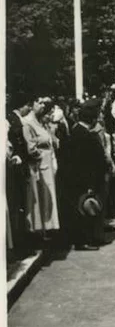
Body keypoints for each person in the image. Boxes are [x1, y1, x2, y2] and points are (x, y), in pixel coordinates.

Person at [63, 98, 110, 251]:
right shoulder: (85, 135)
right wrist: (90, 184)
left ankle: (84, 239)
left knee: (82, 209)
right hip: (84, 181)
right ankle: (82, 241)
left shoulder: (78, 131)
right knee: (82, 210)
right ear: (92, 118)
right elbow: (86, 163)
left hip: (80, 179)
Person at [22, 97, 61, 239]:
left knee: (48, 196)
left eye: (44, 103)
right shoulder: (28, 122)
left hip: (47, 162)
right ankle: (40, 230)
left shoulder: (41, 122)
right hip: (39, 164)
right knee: (40, 197)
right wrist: (41, 155)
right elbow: (31, 147)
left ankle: (48, 227)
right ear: (31, 104)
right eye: (39, 102)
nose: (43, 106)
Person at [6, 96, 32, 259]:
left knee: (16, 207)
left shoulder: (9, 119)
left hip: (13, 168)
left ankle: (15, 245)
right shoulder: (11, 119)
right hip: (9, 169)